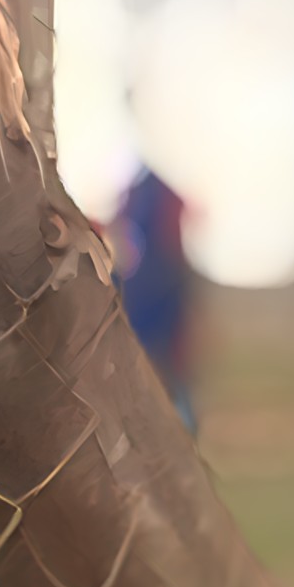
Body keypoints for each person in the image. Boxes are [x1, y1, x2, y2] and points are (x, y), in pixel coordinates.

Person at [108, 163, 199, 428]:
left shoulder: (160, 271)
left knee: (169, 381)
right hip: (155, 314)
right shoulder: (163, 270)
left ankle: (182, 433)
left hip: (157, 316)